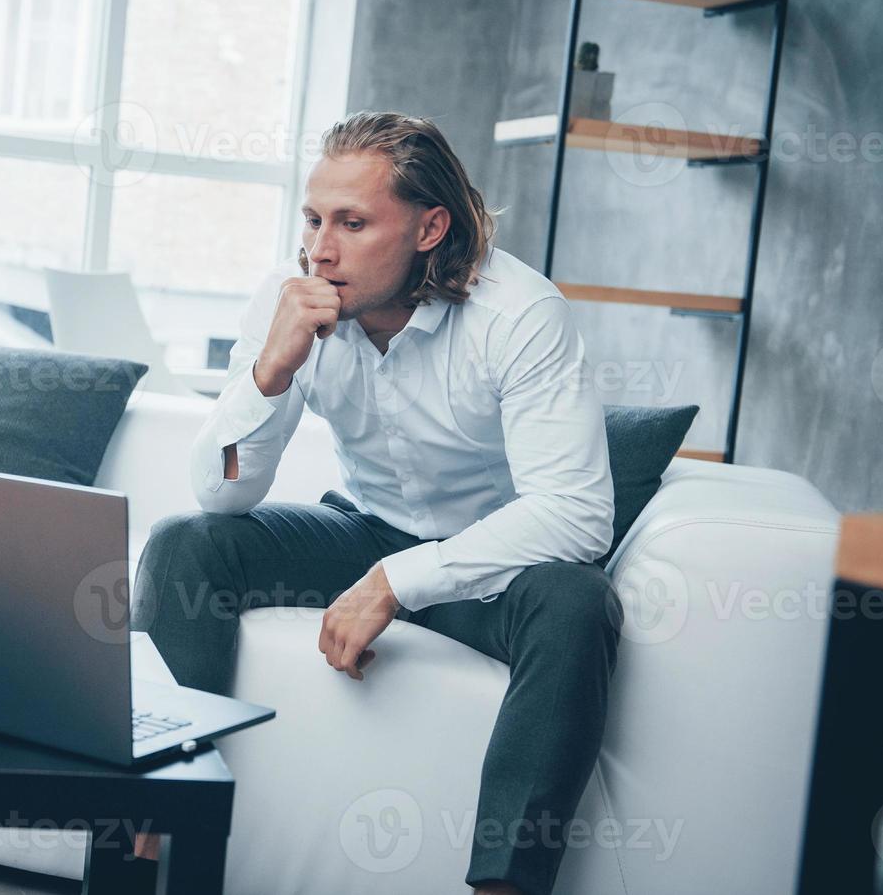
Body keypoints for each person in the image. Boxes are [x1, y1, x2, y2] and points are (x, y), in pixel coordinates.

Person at [130, 111, 623, 895]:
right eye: (314, 219)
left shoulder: (520, 314)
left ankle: (504, 887)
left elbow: (575, 514)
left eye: (352, 223)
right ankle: (147, 847)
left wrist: (396, 582)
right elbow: (221, 493)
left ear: (430, 228)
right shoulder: (290, 301)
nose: (319, 249)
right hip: (360, 530)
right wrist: (271, 371)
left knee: (576, 603)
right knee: (186, 542)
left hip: (489, 567)